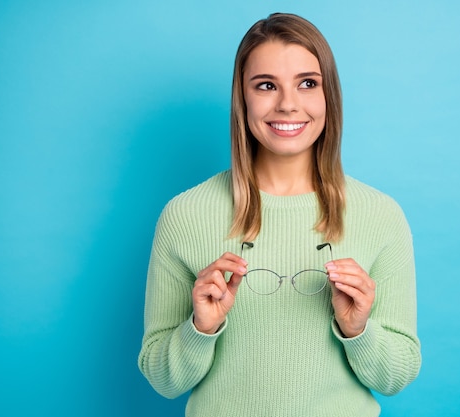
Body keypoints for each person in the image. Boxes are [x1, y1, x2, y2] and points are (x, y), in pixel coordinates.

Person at [138, 12, 421, 417]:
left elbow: (397, 376)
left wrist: (357, 330)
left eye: (308, 83)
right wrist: (199, 329)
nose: (288, 105)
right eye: (266, 85)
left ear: (329, 96)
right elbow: (163, 381)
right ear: (243, 98)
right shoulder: (184, 215)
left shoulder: (381, 215)